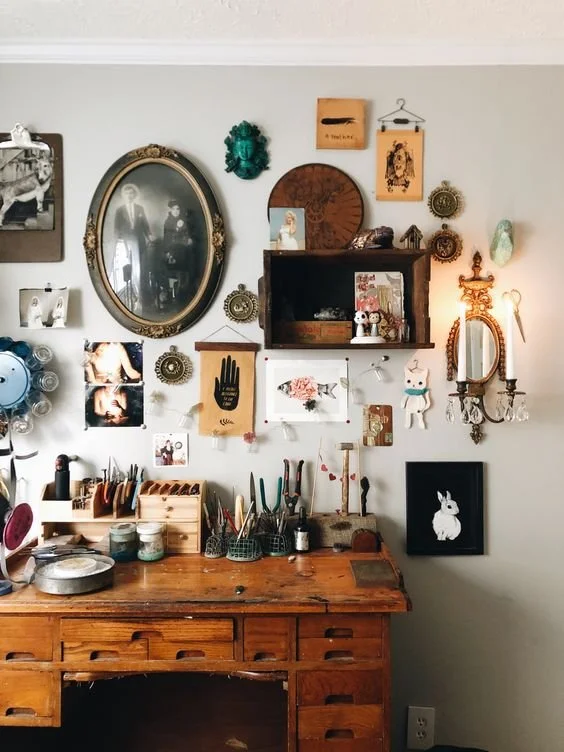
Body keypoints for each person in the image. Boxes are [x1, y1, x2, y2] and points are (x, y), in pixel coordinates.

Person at [112, 183, 153, 313]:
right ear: (124, 196)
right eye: (127, 193)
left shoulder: (140, 208)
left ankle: (142, 299)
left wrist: (149, 237)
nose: (129, 196)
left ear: (134, 195)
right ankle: (132, 298)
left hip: (140, 242)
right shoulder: (119, 210)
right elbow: (117, 229)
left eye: (131, 193)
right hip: (126, 243)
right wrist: (118, 243)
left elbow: (145, 225)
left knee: (141, 269)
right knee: (129, 270)